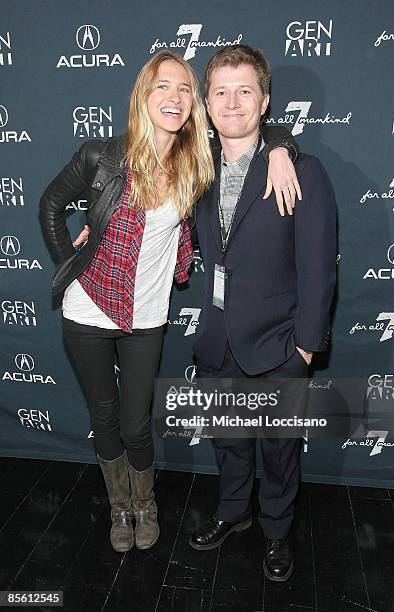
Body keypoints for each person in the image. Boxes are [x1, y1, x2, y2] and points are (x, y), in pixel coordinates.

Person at [39, 50, 300, 554]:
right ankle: (122, 505)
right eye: (163, 86)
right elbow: (51, 204)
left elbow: (252, 131)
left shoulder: (194, 164)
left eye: (184, 89)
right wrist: (71, 265)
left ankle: (147, 501)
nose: (174, 97)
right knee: (104, 416)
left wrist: (282, 147)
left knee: (137, 423)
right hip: (88, 310)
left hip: (147, 316)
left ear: (193, 104)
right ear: (144, 94)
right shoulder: (102, 156)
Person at [188, 45, 336, 582]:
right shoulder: (196, 171)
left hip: (280, 344)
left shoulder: (301, 170)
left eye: (244, 90)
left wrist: (305, 347)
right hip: (218, 338)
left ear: (265, 100)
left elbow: (319, 267)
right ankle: (234, 513)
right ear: (205, 104)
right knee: (229, 440)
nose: (232, 102)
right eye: (221, 92)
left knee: (278, 451)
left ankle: (276, 530)